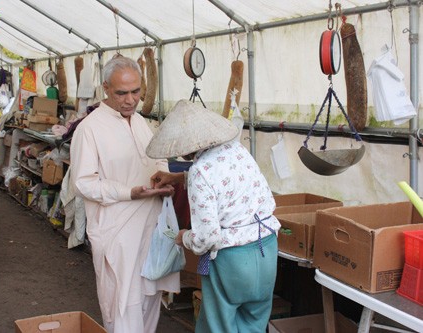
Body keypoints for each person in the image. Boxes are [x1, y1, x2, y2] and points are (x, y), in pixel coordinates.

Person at [146, 99, 281, 333]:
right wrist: (179, 178)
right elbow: (223, 182)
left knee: (219, 326)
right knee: (254, 324)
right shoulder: (237, 150)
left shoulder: (200, 171)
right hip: (267, 249)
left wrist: (184, 237)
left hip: (233, 260)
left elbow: (207, 238)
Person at [70, 56, 179, 333]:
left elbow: (158, 158)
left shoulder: (142, 122)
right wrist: (128, 192)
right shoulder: (89, 129)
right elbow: (83, 183)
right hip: (117, 231)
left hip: (152, 226)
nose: (131, 100)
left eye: (136, 92)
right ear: (106, 88)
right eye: (122, 93)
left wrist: (163, 177)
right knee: (122, 301)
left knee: (150, 296)